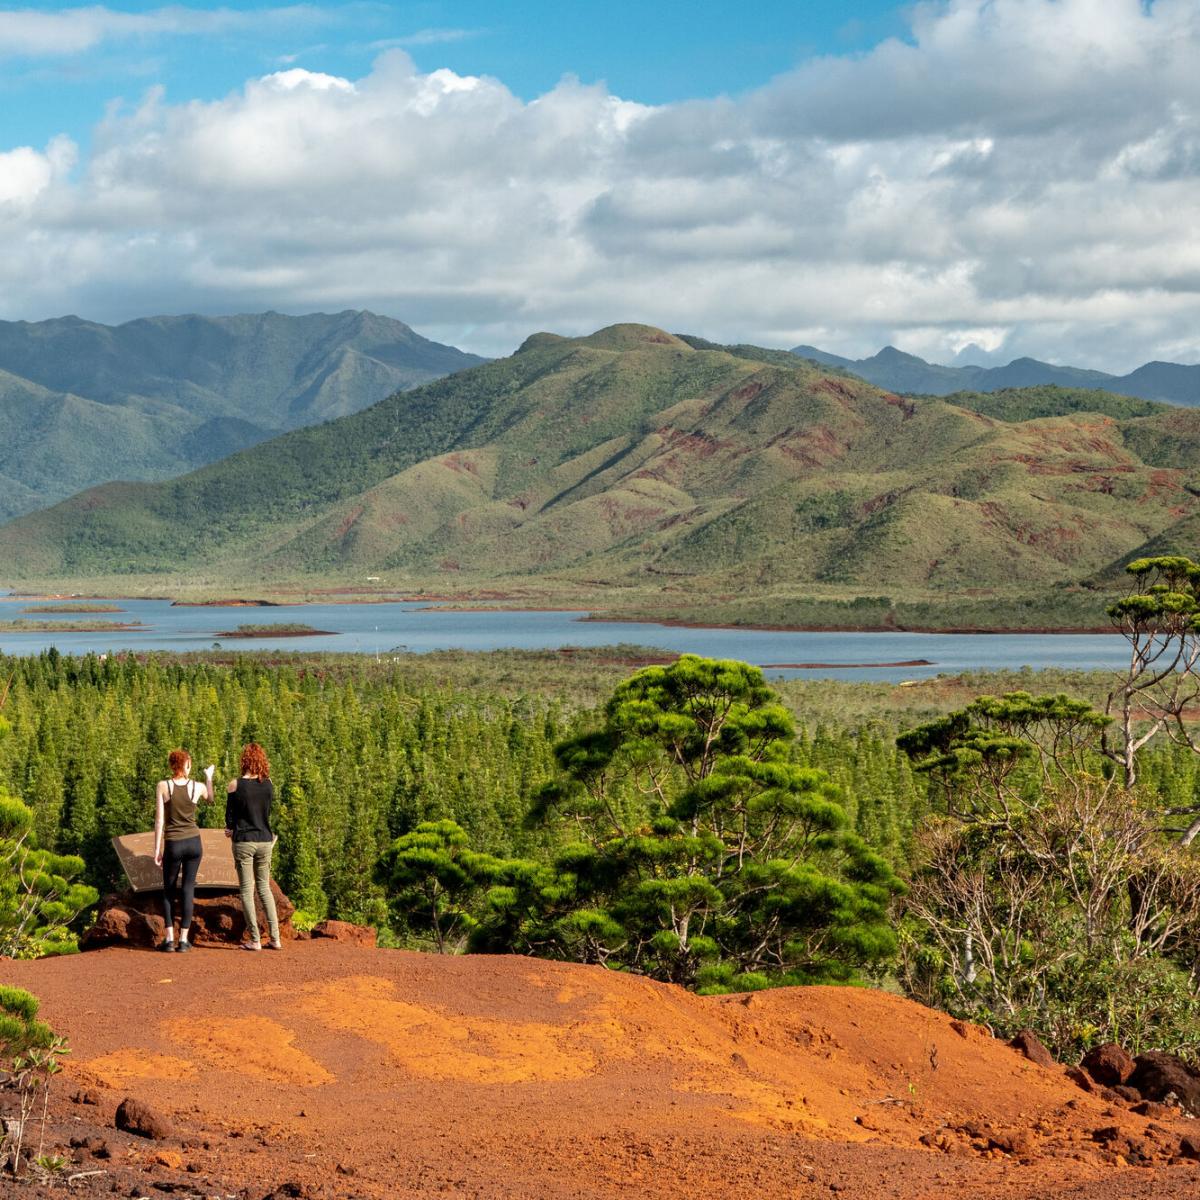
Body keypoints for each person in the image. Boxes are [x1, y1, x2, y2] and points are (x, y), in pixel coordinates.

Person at [154, 749, 215, 953]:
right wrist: (208, 778)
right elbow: (211, 798)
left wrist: (157, 849)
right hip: (194, 843)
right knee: (188, 888)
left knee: (169, 890)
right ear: (185, 765)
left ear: (172, 766)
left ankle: (169, 939)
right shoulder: (197, 787)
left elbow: (160, 820)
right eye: (189, 764)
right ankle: (184, 940)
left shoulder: (164, 786)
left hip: (173, 842)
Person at [225, 742, 280, 951]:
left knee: (247, 891)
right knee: (264, 888)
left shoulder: (235, 785)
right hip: (265, 839)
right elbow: (266, 812)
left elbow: (229, 818)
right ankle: (275, 938)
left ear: (244, 760)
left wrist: (231, 829)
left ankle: (255, 939)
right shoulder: (269, 784)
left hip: (244, 841)